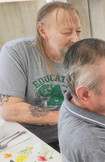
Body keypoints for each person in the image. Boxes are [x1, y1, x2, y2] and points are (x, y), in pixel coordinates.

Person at [0, 1, 81, 150]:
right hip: (29, 140)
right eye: (67, 32)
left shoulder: (81, 55)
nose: (75, 39)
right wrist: (65, 117)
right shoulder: (16, 52)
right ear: (43, 31)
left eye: (78, 31)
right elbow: (10, 109)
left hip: (73, 134)